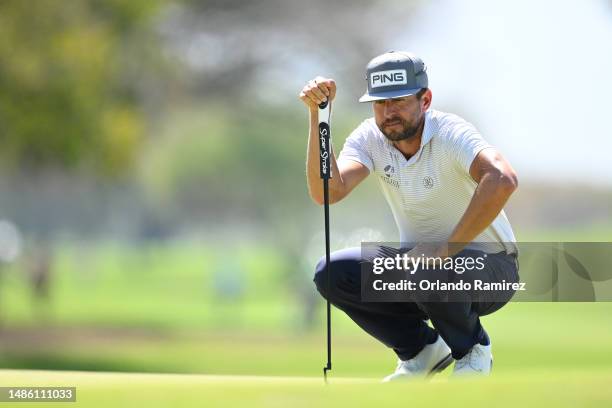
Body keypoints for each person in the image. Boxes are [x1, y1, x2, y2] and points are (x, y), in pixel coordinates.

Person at [298, 51, 519, 380]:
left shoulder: (449, 132)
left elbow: (503, 179)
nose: (388, 113)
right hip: (421, 270)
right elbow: (328, 192)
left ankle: (472, 349)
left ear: (425, 99)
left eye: (399, 101)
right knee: (332, 272)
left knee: (421, 266)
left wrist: (445, 249)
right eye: (379, 103)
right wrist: (320, 119)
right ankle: (422, 351)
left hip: (492, 269)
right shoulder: (370, 137)